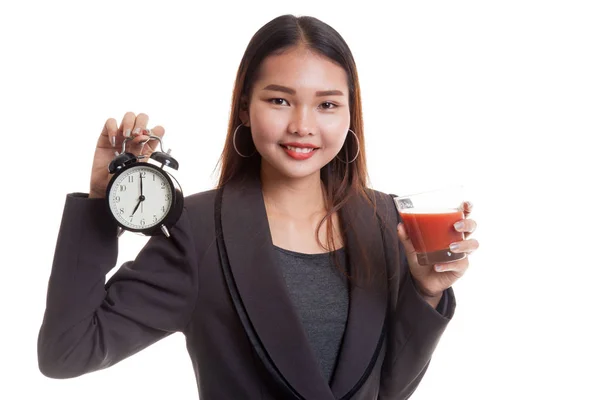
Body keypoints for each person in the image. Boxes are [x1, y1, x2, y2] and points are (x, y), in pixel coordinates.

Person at [38, 14, 479, 399]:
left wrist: (426, 292)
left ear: (350, 116)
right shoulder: (198, 232)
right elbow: (67, 351)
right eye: (280, 100)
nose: (303, 126)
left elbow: (388, 391)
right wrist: (101, 205)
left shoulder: (388, 222)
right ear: (246, 108)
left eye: (327, 104)